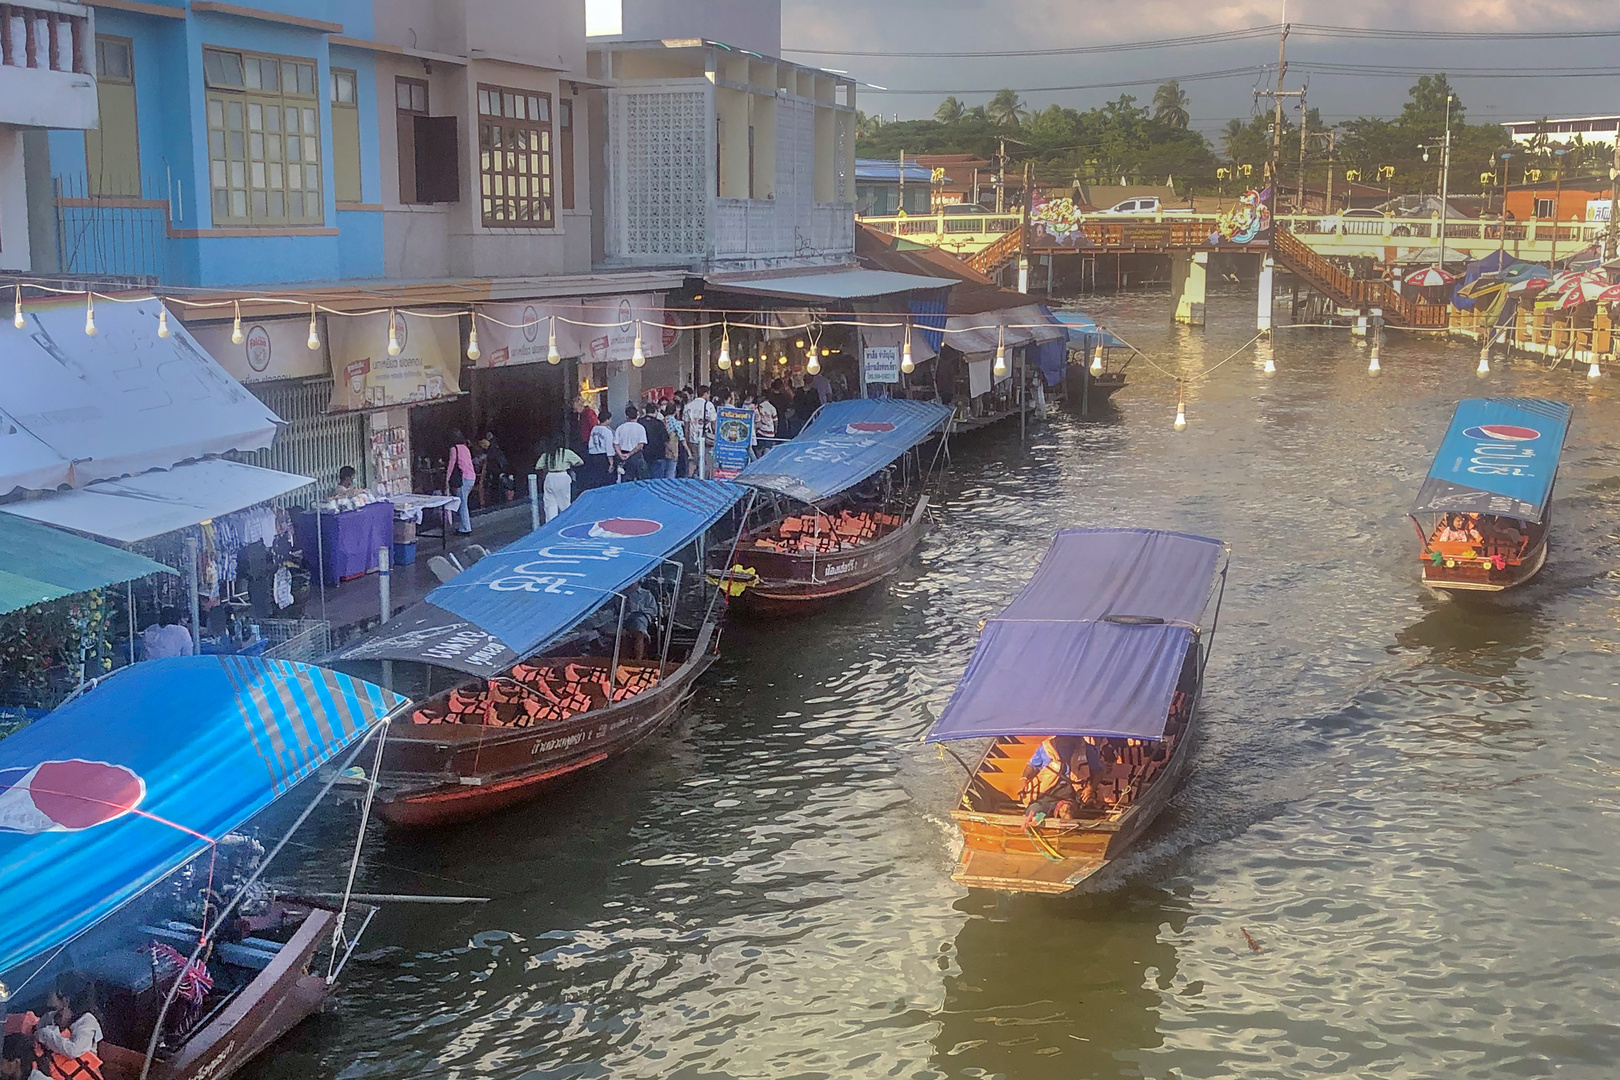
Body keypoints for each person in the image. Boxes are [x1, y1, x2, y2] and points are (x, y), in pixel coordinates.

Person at [33, 973, 103, 1080]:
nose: (48, 993)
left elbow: (73, 1051)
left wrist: (47, 1035)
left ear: (66, 999)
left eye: (53, 991)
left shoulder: (87, 1022)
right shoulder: (49, 1017)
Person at [536, 433, 582, 522]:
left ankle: (550, 524)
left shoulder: (547, 454)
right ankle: (566, 523)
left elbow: (538, 466)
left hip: (550, 477)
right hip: (562, 476)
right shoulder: (566, 452)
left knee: (550, 504)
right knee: (564, 503)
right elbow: (580, 462)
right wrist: (570, 465)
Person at [446, 429, 476, 535]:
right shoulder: (465, 448)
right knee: (463, 501)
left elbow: (451, 464)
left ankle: (466, 528)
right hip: (472, 477)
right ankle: (463, 526)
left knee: (463, 503)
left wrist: (447, 478)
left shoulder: (454, 449)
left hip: (464, 478)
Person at [682, 386, 717, 476]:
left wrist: (687, 439)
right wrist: (716, 436)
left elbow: (686, 425)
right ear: (705, 393)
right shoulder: (708, 405)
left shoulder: (688, 406)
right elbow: (713, 423)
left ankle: (693, 478)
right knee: (707, 463)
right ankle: (704, 480)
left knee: (694, 461)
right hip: (706, 438)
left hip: (692, 438)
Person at [621, 580, 659, 660]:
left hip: (640, 618)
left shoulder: (646, 594)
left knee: (638, 630)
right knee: (620, 634)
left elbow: (653, 611)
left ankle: (638, 659)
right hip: (622, 618)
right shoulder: (620, 595)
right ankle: (622, 659)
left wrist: (638, 609)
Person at [614, 404, 649, 482]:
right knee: (640, 479)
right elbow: (640, 445)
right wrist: (630, 454)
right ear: (637, 415)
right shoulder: (640, 428)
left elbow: (616, 444)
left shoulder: (620, 428)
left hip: (623, 455)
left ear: (627, 416)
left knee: (625, 479)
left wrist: (620, 454)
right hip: (636, 456)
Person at [585, 409, 615, 490]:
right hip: (603, 456)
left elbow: (590, 443)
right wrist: (611, 462)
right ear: (607, 419)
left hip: (593, 455)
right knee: (605, 479)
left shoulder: (594, 428)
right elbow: (609, 447)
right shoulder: (607, 431)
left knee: (596, 478)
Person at [640, 401, 671, 479]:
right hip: (658, 454)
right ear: (655, 411)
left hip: (643, 454)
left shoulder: (639, 422)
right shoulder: (659, 423)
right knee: (657, 479)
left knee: (644, 479)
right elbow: (665, 439)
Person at [660, 400, 686, 479]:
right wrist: (688, 450)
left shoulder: (662, 421)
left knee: (662, 471)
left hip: (662, 449)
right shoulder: (676, 423)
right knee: (671, 471)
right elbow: (681, 438)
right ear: (675, 411)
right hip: (673, 448)